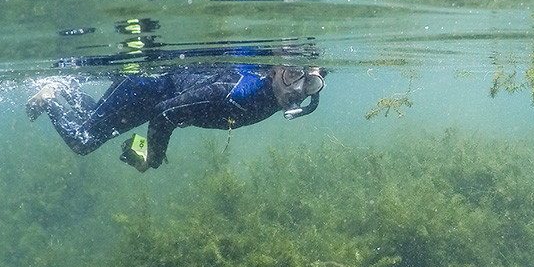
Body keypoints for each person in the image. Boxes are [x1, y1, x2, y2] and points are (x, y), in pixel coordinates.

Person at [26, 64, 326, 171]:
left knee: (93, 118)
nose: (297, 89)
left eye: (309, 83)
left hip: (151, 93)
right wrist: (152, 158)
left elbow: (171, 111)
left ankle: (64, 86)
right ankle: (50, 95)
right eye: (292, 75)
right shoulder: (239, 92)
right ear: (274, 70)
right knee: (83, 141)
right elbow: (164, 113)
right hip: (144, 89)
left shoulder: (273, 96)